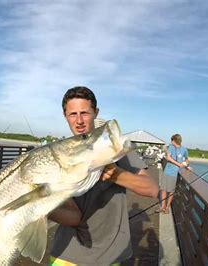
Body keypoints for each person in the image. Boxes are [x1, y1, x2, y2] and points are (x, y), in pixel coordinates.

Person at [48, 86, 159, 265]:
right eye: (72, 114)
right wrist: (38, 207)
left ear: (95, 112)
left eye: (84, 113)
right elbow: (74, 217)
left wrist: (116, 174)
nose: (79, 121)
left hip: (110, 256)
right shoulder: (59, 155)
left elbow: (152, 189)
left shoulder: (115, 148)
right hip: (66, 253)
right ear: (65, 116)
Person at [156, 134, 189, 214]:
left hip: (174, 173)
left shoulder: (184, 150)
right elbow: (168, 158)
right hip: (167, 171)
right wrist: (178, 164)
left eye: (172, 140)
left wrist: (185, 165)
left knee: (171, 191)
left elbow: (187, 159)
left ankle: (167, 207)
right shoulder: (171, 147)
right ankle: (162, 206)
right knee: (163, 189)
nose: (171, 142)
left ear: (175, 140)